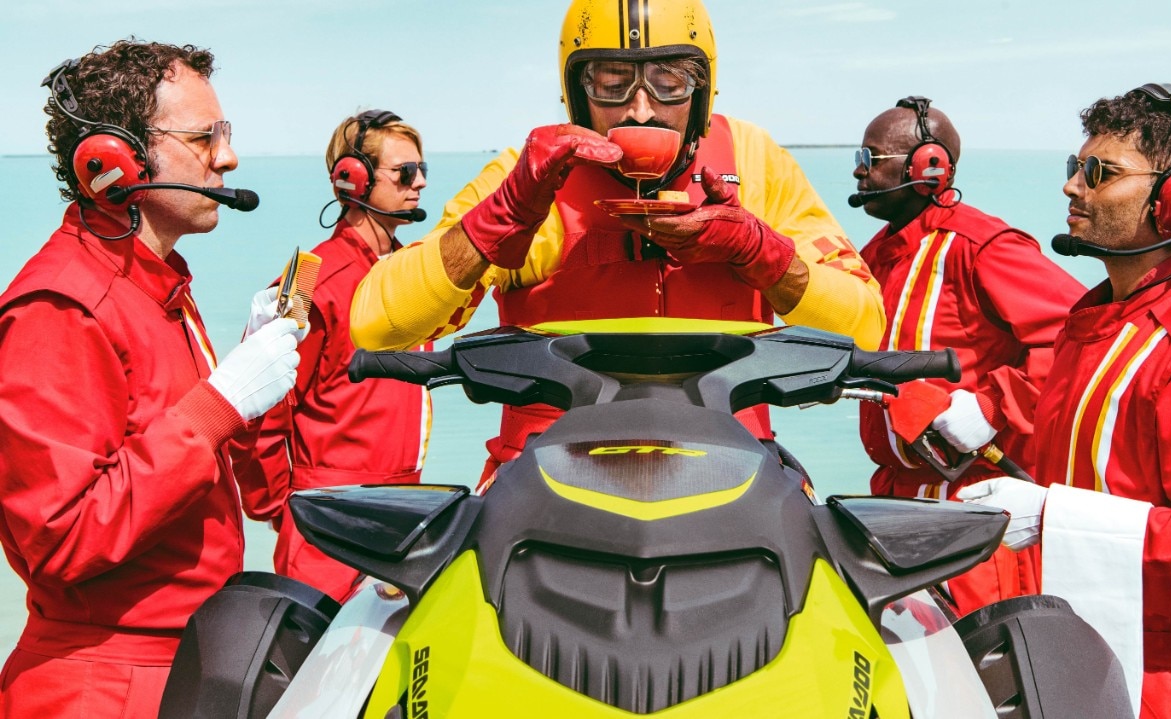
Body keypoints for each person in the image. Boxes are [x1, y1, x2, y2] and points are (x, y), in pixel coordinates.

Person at [350, 0, 885, 487]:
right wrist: (507, 212)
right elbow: (378, 324)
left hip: (733, 467)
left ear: (703, 88)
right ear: (575, 92)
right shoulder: (528, 172)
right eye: (611, 81)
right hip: (546, 476)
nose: (641, 111)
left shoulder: (756, 160)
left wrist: (756, 248)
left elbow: (863, 324)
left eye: (670, 80)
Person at [0, 41, 303, 717]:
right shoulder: (62, 306)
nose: (225, 160)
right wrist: (216, 405)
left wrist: (244, 379)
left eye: (223, 137)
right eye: (203, 138)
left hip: (180, 664)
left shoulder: (156, 286)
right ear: (111, 163)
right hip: (104, 685)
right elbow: (61, 539)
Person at [958, 84, 1171, 718]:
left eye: (1099, 172)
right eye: (1074, 168)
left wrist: (1051, 518)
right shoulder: (1095, 322)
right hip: (1082, 659)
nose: (1072, 187)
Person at [850, 97, 1084, 615]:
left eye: (870, 158)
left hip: (972, 510)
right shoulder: (876, 256)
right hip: (896, 501)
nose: (857, 171)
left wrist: (993, 406)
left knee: (981, 673)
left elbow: (1079, 336)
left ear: (927, 166)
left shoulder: (981, 246)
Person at [231, 110, 434, 602]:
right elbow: (257, 403)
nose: (421, 183)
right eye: (405, 173)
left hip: (405, 512)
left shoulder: (414, 276)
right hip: (326, 525)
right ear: (353, 179)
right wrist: (282, 509)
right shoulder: (304, 280)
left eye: (422, 170)